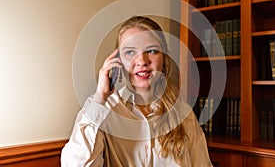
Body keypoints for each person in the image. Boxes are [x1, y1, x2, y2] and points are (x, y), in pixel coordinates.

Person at [61, 16, 213, 167]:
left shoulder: (183, 113)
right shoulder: (101, 109)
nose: (142, 61)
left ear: (164, 57)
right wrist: (100, 96)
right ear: (117, 60)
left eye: (152, 51)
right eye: (130, 52)